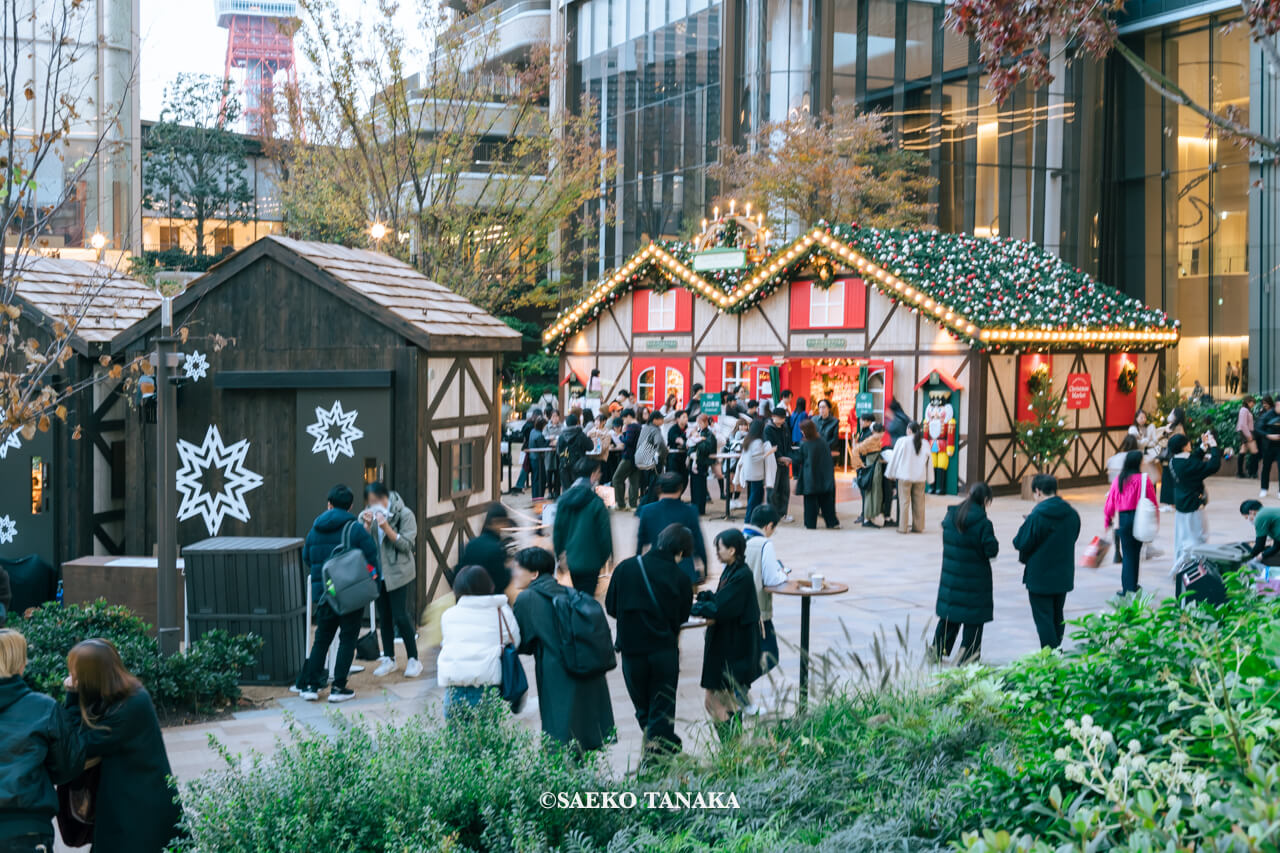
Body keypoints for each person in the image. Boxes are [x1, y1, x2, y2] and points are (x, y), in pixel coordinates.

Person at [63, 638, 183, 852]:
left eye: (76, 673)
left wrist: (72, 696)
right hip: (134, 804)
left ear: (93, 675)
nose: (73, 678)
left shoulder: (128, 708)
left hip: (137, 815)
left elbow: (78, 745)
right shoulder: (125, 695)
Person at [512, 547, 615, 752]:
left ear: (534, 574)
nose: (514, 573)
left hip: (556, 677)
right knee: (579, 739)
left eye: (518, 569)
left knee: (558, 741)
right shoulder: (569, 592)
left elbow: (523, 644)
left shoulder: (527, 598)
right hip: (584, 671)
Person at [605, 523, 694, 758]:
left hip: (632, 653)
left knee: (643, 710)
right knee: (661, 709)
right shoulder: (680, 578)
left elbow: (611, 607)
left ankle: (658, 751)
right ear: (681, 552)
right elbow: (682, 617)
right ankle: (660, 755)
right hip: (664, 653)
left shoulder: (625, 568)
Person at [296, 484, 381, 702]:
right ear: (350, 506)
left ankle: (311, 686)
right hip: (349, 593)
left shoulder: (315, 529)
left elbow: (307, 557)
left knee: (321, 639)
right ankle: (338, 687)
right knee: (347, 639)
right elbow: (372, 557)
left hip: (326, 594)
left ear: (329, 504)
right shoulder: (355, 529)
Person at [0, 629, 81, 853]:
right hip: (27, 829)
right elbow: (69, 765)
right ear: (21, 665)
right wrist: (73, 700)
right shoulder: (43, 708)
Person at [692, 529, 761, 741]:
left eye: (719, 548)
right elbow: (723, 599)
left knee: (714, 701)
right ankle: (734, 748)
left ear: (732, 550)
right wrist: (705, 598)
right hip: (729, 647)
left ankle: (732, 747)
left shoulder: (741, 575)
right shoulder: (734, 570)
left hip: (731, 651)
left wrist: (693, 607)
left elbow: (721, 608)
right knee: (725, 701)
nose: (716, 552)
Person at [437, 565, 520, 719]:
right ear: (489, 586)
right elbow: (516, 641)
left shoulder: (448, 615)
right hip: (487, 689)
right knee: (486, 734)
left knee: (456, 734)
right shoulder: (502, 612)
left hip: (454, 691)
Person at [361, 482, 422, 679]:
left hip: (399, 572)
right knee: (384, 616)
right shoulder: (367, 515)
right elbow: (361, 542)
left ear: (385, 497)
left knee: (400, 615)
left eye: (377, 500)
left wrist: (386, 527)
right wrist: (366, 526)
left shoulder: (404, 514)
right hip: (377, 573)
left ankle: (414, 659)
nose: (374, 505)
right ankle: (389, 658)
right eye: (371, 502)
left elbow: (406, 545)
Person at [1013, 474, 1081, 650]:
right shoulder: (1072, 514)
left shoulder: (1037, 516)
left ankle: (1051, 655)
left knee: (1044, 619)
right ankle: (1056, 649)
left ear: (1037, 491)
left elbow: (1020, 542)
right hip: (1063, 574)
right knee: (1057, 616)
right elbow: (1073, 536)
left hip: (1040, 576)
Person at [933, 483, 998, 664]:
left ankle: (936, 650)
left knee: (950, 616)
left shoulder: (951, 516)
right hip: (975, 579)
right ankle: (968, 655)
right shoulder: (983, 523)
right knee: (974, 618)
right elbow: (991, 550)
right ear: (985, 500)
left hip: (951, 576)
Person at [552, 458, 614, 594]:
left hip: (572, 560)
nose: (600, 475)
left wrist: (559, 555)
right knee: (587, 598)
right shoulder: (597, 503)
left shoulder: (563, 500)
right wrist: (602, 559)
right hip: (592, 562)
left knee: (578, 594)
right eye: (599, 472)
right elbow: (605, 537)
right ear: (593, 474)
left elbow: (558, 532)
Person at [636, 471, 709, 583]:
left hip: (656, 567)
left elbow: (641, 542)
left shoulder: (646, 510)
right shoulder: (690, 510)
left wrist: (638, 566)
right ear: (680, 489)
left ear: (658, 489)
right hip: (684, 570)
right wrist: (705, 566)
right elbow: (699, 542)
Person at [1104, 450, 1159, 596]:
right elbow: (1153, 502)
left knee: (1128, 555)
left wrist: (1107, 520)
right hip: (1139, 518)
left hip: (1123, 519)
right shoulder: (1144, 480)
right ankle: (1131, 587)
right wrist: (1156, 521)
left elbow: (1110, 502)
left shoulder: (1119, 479)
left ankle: (1129, 587)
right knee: (1134, 554)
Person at [743, 505, 788, 682]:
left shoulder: (737, 538)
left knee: (746, 654)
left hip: (738, 607)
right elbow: (771, 579)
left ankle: (739, 689)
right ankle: (739, 686)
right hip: (758, 611)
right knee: (770, 655)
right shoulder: (764, 544)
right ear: (769, 526)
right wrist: (783, 573)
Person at [1167, 431, 1221, 565]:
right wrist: (1214, 446)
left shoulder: (1174, 460)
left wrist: (1203, 446)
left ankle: (1180, 565)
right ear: (1184, 446)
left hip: (1181, 504)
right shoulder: (1187, 465)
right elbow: (1212, 466)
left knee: (1181, 538)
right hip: (1193, 505)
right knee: (1198, 537)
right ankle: (1195, 565)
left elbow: (1192, 460)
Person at [886, 421, 931, 534]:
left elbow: (895, 458)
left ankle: (903, 527)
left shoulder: (902, 441)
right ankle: (918, 527)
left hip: (904, 476)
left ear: (909, 430)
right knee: (919, 503)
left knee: (904, 502)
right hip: (920, 477)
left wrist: (890, 473)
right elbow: (930, 463)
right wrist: (930, 478)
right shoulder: (925, 443)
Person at [458, 502, 512, 595]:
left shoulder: (471, 544)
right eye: (502, 522)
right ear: (494, 522)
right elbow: (502, 582)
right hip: (488, 597)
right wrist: (510, 570)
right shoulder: (496, 548)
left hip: (468, 594)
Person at [795, 418, 839, 529]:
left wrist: (790, 457)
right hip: (824, 475)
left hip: (810, 476)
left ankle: (810, 524)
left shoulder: (805, 444)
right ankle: (832, 523)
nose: (802, 432)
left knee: (810, 502)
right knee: (826, 501)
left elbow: (800, 459)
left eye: (802, 430)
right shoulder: (822, 441)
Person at [735, 417, 775, 525]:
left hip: (749, 472)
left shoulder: (748, 439)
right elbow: (756, 458)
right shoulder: (757, 442)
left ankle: (751, 518)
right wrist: (769, 452)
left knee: (754, 496)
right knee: (755, 497)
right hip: (756, 474)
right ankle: (749, 519)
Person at [764, 407, 794, 521]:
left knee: (784, 489)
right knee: (772, 489)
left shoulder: (785, 427)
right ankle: (771, 514)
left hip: (784, 463)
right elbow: (769, 446)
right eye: (780, 418)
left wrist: (788, 458)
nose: (782, 420)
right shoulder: (768, 429)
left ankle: (782, 514)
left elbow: (788, 444)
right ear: (773, 417)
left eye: (783, 418)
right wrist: (780, 457)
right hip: (773, 462)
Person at [856, 422, 887, 527]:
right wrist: (861, 464)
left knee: (874, 492)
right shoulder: (870, 440)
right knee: (871, 492)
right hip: (872, 468)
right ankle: (867, 518)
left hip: (874, 467)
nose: (882, 435)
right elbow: (857, 450)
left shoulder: (874, 439)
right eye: (881, 433)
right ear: (875, 432)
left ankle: (871, 516)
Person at [555, 413, 595, 493]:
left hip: (564, 466)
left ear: (566, 423)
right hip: (579, 466)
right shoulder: (580, 434)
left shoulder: (561, 436)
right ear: (577, 422)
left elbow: (558, 451)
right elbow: (590, 447)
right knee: (578, 490)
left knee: (567, 491)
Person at [611, 409, 643, 510]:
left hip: (628, 457)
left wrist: (621, 436)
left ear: (629, 416)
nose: (624, 421)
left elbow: (628, 441)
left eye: (624, 419)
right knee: (634, 481)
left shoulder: (631, 427)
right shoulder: (639, 426)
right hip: (637, 457)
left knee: (616, 479)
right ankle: (633, 505)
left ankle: (620, 504)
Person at [635, 410, 668, 504]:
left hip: (639, 460)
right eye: (661, 419)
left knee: (644, 485)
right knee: (654, 486)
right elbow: (660, 444)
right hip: (650, 462)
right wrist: (663, 457)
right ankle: (650, 504)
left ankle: (643, 502)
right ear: (655, 420)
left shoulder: (645, 428)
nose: (662, 421)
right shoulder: (655, 430)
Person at [687, 414, 717, 515]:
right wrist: (697, 440)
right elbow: (690, 447)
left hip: (702, 463)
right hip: (696, 462)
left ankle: (699, 509)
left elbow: (706, 449)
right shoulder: (701, 433)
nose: (698, 424)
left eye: (699, 422)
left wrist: (698, 440)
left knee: (700, 487)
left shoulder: (709, 434)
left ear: (705, 422)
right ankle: (695, 507)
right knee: (694, 486)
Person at [1158, 407, 1187, 509]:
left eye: (1172, 413)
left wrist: (1166, 434)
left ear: (1176, 416)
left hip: (1172, 458)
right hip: (1169, 458)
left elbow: (1172, 442)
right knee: (1167, 479)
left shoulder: (1178, 428)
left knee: (1169, 480)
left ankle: (1171, 503)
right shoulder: (1172, 426)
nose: (1170, 414)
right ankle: (1169, 503)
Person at [510, 406, 542, 496]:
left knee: (525, 467)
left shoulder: (527, 423)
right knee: (527, 467)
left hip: (526, 448)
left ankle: (520, 485)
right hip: (530, 449)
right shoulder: (533, 426)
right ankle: (520, 485)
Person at [1256, 397, 1280, 498]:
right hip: (1268, 446)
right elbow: (1258, 428)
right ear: (1277, 405)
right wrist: (1268, 435)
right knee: (1266, 467)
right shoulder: (1267, 415)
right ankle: (1264, 489)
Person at [527, 415, 549, 500]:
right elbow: (542, 446)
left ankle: (535, 496)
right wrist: (549, 441)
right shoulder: (539, 435)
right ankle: (539, 496)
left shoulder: (532, 431)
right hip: (538, 459)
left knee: (534, 478)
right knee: (540, 478)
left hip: (532, 457)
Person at [544, 410, 564, 498]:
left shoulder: (562, 426)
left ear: (559, 417)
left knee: (557, 472)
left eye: (556, 416)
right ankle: (549, 491)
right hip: (549, 453)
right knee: (549, 471)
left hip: (558, 452)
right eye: (553, 416)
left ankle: (556, 491)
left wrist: (554, 438)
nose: (555, 418)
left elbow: (562, 437)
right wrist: (552, 439)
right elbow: (545, 437)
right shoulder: (547, 427)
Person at [1236, 396, 1257, 479]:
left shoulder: (1245, 410)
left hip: (1246, 432)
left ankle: (1240, 473)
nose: (1253, 404)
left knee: (1243, 451)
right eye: (1253, 402)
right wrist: (1249, 435)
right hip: (1247, 432)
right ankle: (1252, 473)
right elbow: (1243, 424)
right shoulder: (1244, 410)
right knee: (1254, 451)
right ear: (1248, 402)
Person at [666, 410, 689, 476]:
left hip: (684, 458)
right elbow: (678, 440)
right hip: (674, 458)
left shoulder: (688, 428)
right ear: (677, 419)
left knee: (684, 478)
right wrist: (685, 444)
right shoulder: (673, 429)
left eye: (686, 417)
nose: (686, 419)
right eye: (684, 417)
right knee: (673, 478)